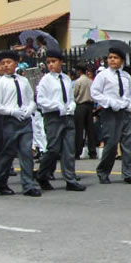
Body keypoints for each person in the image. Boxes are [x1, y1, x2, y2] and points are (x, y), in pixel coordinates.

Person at [90, 47, 131, 185]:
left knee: (128, 142)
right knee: (112, 143)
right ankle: (103, 171)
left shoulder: (126, 76)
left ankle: (128, 173)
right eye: (110, 57)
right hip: (110, 112)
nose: (112, 60)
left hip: (124, 112)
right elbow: (95, 93)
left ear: (122, 60)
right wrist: (109, 102)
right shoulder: (103, 75)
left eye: (115, 57)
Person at [0, 50, 40, 196]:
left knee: (26, 153)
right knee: (8, 153)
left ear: (16, 63)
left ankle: (28, 185)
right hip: (9, 121)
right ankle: (0, 181)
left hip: (24, 120)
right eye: (3, 63)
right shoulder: (0, 83)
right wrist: (12, 111)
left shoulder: (23, 81)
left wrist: (30, 108)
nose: (6, 65)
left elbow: (31, 98)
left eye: (9, 62)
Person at [34, 50, 85, 191]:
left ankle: (70, 179)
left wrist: (71, 106)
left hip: (67, 116)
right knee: (53, 148)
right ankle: (42, 174)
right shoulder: (45, 80)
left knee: (69, 148)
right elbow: (41, 100)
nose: (51, 65)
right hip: (53, 117)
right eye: (48, 62)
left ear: (61, 62)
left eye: (53, 61)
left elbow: (69, 97)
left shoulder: (66, 79)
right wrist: (56, 106)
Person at [73, 63, 98, 160]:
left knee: (79, 129)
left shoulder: (78, 81)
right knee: (90, 129)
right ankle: (92, 152)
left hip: (80, 105)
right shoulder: (90, 81)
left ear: (79, 71)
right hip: (89, 105)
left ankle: (77, 151)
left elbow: (75, 94)